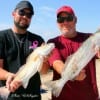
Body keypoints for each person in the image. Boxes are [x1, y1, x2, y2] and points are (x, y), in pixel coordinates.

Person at [47, 5, 100, 100]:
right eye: (61, 19)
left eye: (69, 18)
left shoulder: (90, 38)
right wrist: (73, 74)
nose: (65, 22)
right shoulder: (53, 43)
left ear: (75, 20)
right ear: (57, 23)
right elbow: (56, 63)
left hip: (89, 96)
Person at [0, 0, 45, 100]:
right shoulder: (2, 37)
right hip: (11, 95)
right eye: (22, 12)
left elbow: (43, 71)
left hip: (33, 96)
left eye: (29, 15)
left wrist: (45, 60)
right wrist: (8, 75)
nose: (25, 16)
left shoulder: (38, 40)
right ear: (13, 13)